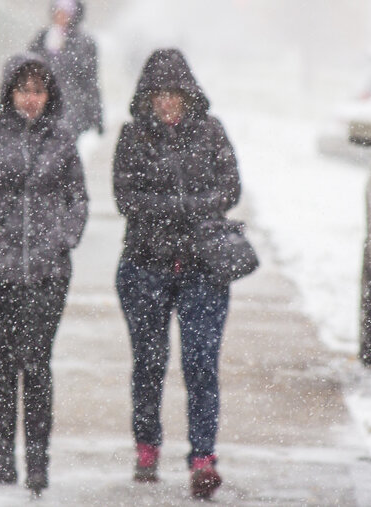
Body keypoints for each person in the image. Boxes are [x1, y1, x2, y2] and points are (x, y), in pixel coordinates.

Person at [0, 53, 88, 496]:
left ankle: (39, 462)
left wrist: (63, 238)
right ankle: (3, 454)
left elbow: (78, 199)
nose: (31, 99)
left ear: (50, 95)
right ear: (10, 92)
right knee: (4, 365)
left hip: (48, 273)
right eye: (24, 90)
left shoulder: (62, 140)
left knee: (39, 365)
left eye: (39, 90)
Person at [112, 48, 241, 500]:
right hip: (144, 268)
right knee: (148, 363)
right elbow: (125, 198)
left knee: (201, 363)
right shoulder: (132, 137)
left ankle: (203, 457)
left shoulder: (211, 132)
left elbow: (231, 186)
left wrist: (180, 209)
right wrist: (182, 209)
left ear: (188, 96)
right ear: (146, 98)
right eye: (157, 96)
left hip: (203, 269)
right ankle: (147, 446)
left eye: (173, 95)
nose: (166, 104)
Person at [29, 0, 103, 137]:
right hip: (43, 105)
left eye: (66, 12)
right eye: (58, 11)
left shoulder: (85, 43)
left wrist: (96, 116)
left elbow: (90, 81)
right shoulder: (42, 38)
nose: (61, 15)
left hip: (72, 108)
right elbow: (29, 70)